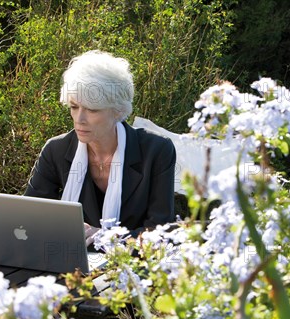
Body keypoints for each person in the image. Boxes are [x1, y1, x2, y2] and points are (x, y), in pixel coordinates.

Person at [24, 50, 176, 245]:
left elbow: (159, 231)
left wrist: (105, 238)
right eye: (74, 107)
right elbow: (29, 217)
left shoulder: (156, 151)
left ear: (118, 110)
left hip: (132, 265)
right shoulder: (56, 150)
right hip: (70, 261)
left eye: (92, 110)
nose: (80, 119)